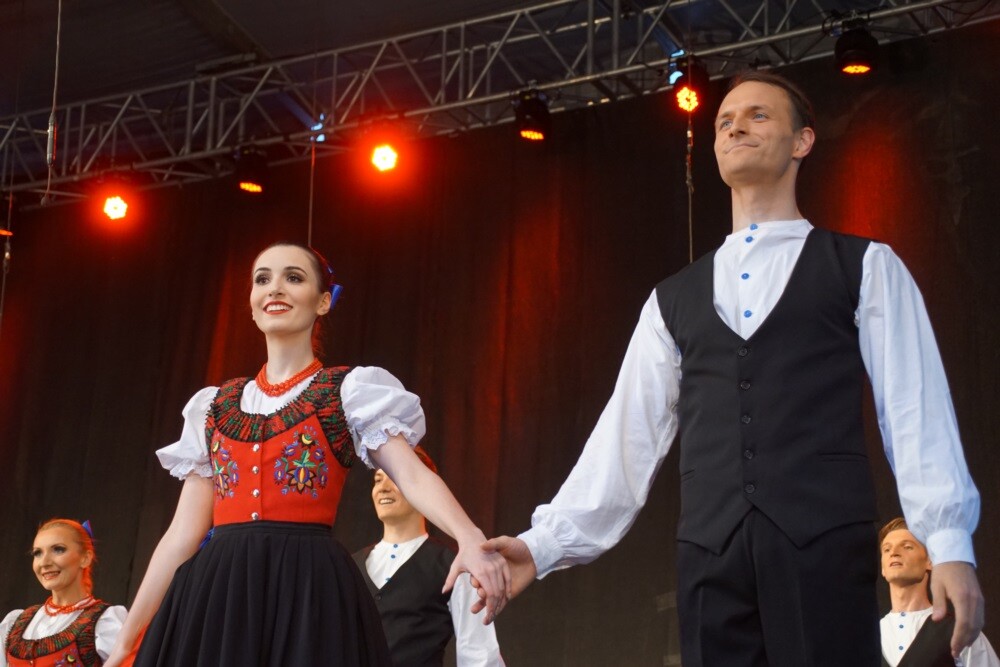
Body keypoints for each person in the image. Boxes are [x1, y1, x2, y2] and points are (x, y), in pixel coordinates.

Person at [478, 70, 984, 666]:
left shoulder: (865, 266)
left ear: (802, 141)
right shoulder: (671, 300)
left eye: (757, 115)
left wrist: (949, 542)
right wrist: (543, 545)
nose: (735, 127)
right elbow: (626, 437)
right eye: (723, 121)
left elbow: (914, 409)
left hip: (821, 545)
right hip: (710, 557)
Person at [102, 242, 509, 667]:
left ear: (323, 302)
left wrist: (469, 537)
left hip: (306, 590)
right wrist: (125, 645)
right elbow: (181, 535)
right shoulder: (213, 406)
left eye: (293, 278)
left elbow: (413, 476)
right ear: (252, 304)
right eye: (262, 279)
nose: (274, 288)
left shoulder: (347, 392)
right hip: (220, 595)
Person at [353, 445, 505, 667]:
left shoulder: (454, 566)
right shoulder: (350, 566)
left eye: (393, 478)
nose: (383, 488)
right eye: (377, 480)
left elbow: (479, 655)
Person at [1, 519, 127, 667]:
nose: (44, 562)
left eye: (58, 549)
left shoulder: (105, 623)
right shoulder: (16, 622)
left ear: (85, 558)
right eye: (37, 553)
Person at [880, 517, 998, 667]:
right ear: (883, 568)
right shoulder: (868, 636)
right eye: (887, 549)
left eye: (907, 547)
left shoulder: (959, 632)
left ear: (930, 561)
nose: (894, 553)